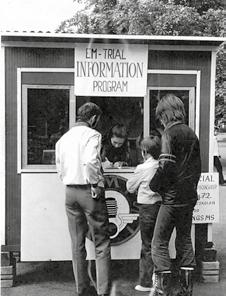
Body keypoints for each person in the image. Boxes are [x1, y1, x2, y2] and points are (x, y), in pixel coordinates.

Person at [55, 102, 111, 296]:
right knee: (101, 242)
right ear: (94, 118)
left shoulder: (63, 139)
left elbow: (59, 168)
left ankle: (83, 290)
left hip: (70, 192)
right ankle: (104, 291)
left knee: (77, 243)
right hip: (89, 191)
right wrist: (95, 184)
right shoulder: (93, 135)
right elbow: (90, 161)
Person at [149, 94, 201, 296]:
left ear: (165, 114)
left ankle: (162, 290)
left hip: (171, 199)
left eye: (160, 115)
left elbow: (165, 167)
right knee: (185, 240)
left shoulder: (169, 134)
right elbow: (197, 168)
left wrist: (154, 186)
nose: (160, 120)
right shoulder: (191, 133)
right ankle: (186, 291)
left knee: (159, 242)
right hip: (189, 198)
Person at [126, 134, 162, 292]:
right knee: (160, 243)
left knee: (147, 245)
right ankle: (161, 281)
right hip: (161, 206)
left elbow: (130, 187)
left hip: (146, 207)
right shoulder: (161, 165)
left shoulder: (142, 168)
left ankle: (146, 283)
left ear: (145, 152)